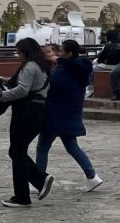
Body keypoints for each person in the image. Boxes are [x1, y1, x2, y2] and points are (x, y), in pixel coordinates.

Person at [0, 37, 54, 207]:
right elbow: (31, 85)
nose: (17, 55)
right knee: (17, 151)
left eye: (19, 52)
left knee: (17, 152)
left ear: (25, 52)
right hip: (38, 112)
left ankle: (23, 196)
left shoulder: (30, 66)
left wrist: (2, 96)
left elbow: (22, 90)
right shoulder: (41, 66)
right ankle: (40, 180)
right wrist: (6, 81)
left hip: (27, 112)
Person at [37, 40, 103, 192]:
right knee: (72, 146)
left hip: (56, 113)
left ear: (68, 53)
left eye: (60, 51)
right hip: (71, 111)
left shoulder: (63, 69)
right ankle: (92, 176)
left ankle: (38, 180)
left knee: (42, 147)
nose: (58, 54)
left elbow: (49, 88)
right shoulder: (82, 68)